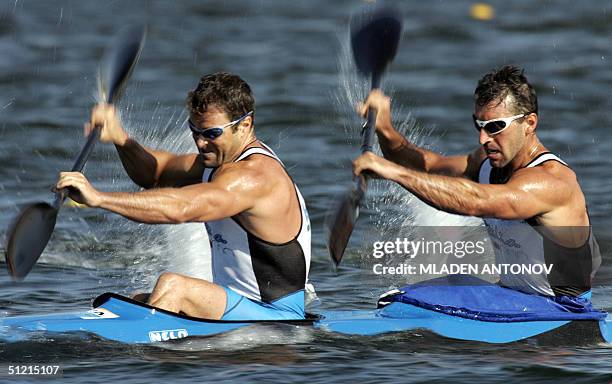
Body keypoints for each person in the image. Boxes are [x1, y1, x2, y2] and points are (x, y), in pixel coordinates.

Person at [55, 72, 311, 320]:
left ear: (245, 125)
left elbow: (183, 208)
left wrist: (100, 198)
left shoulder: (254, 177)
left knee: (172, 286)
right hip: (238, 305)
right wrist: (120, 138)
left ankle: (142, 358)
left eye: (211, 134)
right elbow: (155, 174)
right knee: (137, 300)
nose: (200, 143)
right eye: (195, 131)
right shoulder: (218, 163)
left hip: (277, 318)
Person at [352, 65, 600, 298]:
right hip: (512, 298)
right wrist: (385, 129)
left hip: (565, 313)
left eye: (495, 127)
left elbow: (475, 201)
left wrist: (392, 172)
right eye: (478, 125)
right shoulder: (488, 162)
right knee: (419, 293)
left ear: (529, 123)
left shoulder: (550, 182)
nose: (483, 138)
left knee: (421, 297)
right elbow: (428, 166)